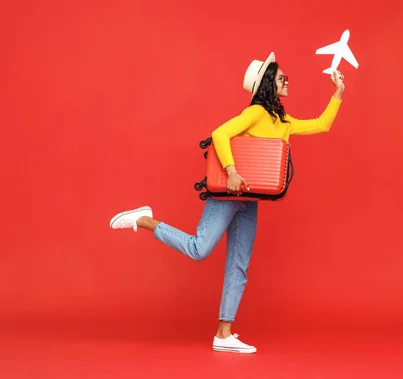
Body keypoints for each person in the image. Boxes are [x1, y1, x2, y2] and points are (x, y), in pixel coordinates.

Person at [109, 52, 345, 353]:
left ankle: (223, 335)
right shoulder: (257, 112)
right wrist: (232, 172)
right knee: (199, 249)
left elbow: (320, 125)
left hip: (250, 198)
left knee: (239, 265)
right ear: (268, 84)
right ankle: (145, 220)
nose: (287, 81)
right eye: (282, 77)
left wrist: (337, 94)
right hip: (228, 194)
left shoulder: (281, 120)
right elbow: (220, 133)